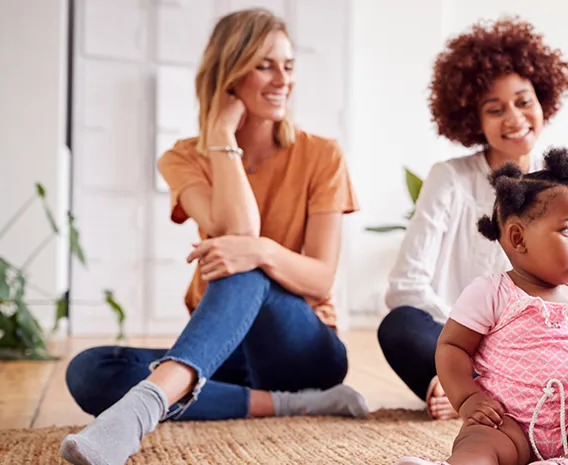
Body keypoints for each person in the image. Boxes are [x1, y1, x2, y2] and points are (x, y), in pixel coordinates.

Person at [60, 8, 367, 465]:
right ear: (228, 74)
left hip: (303, 350)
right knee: (90, 371)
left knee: (243, 262)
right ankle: (287, 404)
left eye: (288, 64)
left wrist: (261, 251)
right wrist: (223, 134)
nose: (282, 78)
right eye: (264, 65)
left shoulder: (322, 155)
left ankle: (143, 410)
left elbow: (318, 278)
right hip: (230, 352)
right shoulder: (183, 157)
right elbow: (237, 230)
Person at [378, 16, 568, 421]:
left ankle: (509, 385)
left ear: (542, 99)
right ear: (473, 119)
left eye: (523, 101)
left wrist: (564, 326)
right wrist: (484, 337)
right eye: (494, 109)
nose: (514, 118)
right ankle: (466, 383)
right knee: (400, 326)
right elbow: (405, 287)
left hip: (557, 345)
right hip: (470, 343)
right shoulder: (449, 178)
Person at [395, 149, 568, 465]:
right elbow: (452, 346)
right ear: (518, 238)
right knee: (480, 442)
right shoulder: (491, 291)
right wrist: (468, 399)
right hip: (506, 419)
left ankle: (567, 463)